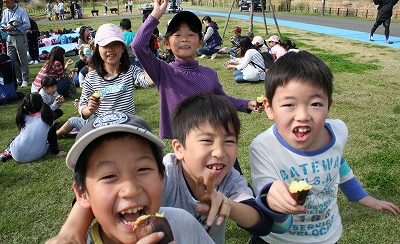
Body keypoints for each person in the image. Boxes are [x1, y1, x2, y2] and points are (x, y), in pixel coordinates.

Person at [45, 95, 297, 243]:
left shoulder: (228, 182)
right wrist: (72, 230)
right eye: (207, 141)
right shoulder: (164, 170)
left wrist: (227, 205)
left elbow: (262, 223)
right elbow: (89, 197)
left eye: (229, 141)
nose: (220, 151)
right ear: (178, 148)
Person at [249, 51, 400, 244]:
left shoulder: (338, 131)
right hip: (277, 239)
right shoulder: (263, 147)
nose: (303, 115)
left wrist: (363, 197)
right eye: (289, 104)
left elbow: (338, 164)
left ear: (329, 105)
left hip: (326, 236)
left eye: (316, 103)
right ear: (270, 108)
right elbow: (265, 188)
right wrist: (273, 196)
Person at [48, 110, 215, 244]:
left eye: (142, 169)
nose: (130, 190)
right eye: (109, 176)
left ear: (161, 177)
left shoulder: (183, 223)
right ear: (82, 194)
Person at [131, 0, 262, 140]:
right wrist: (156, 13)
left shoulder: (209, 74)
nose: (185, 39)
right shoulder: (163, 71)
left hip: (207, 136)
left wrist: (247, 104)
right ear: (167, 44)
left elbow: (222, 99)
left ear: (200, 42)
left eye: (191, 34)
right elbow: (138, 46)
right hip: (181, 141)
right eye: (178, 35)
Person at [77, 23, 153, 121]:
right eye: (105, 45)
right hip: (104, 130)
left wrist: (143, 54)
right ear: (97, 49)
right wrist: (89, 109)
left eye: (115, 44)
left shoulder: (131, 71)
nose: (110, 49)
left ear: (122, 48)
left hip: (127, 128)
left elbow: (150, 80)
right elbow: (82, 107)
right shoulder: (91, 78)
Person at [0, 93, 66, 163]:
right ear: (42, 104)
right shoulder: (48, 119)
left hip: (16, 154)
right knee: (46, 141)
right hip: (38, 154)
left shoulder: (22, 117)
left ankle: (6, 153)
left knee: (16, 139)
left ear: (25, 107)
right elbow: (52, 138)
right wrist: (56, 152)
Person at [1, 0, 31, 87]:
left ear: (12, 0)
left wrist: (14, 28)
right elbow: (3, 22)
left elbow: (27, 25)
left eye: (7, 2)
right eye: (4, 3)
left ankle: (25, 79)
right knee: (11, 59)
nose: (6, 4)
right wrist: (3, 27)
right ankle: (18, 78)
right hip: (9, 37)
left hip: (19, 36)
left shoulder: (22, 11)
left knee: (22, 58)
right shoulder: (5, 12)